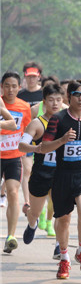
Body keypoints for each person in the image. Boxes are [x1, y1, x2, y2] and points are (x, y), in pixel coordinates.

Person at [39, 80, 81, 279]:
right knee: (63, 220)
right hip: (62, 175)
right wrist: (62, 140)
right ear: (69, 97)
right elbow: (43, 148)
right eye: (77, 94)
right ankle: (64, 258)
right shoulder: (58, 119)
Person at [19, 83, 63, 246]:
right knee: (35, 212)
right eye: (51, 100)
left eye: (58, 100)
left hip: (61, 172)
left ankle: (60, 246)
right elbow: (21, 146)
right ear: (44, 101)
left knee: (61, 212)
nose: (55, 104)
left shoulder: (66, 121)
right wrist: (37, 148)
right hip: (41, 173)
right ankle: (32, 224)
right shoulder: (37, 123)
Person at [1, 71, 32, 253]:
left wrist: (27, 153)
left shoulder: (24, 106)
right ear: (1, 87)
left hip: (13, 156)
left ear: (20, 87)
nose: (10, 89)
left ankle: (10, 236)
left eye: (14, 86)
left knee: (13, 192)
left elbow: (26, 130)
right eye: (7, 85)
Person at [17, 62, 44, 218]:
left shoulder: (44, 95)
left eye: (34, 76)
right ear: (25, 77)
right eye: (29, 77)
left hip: (44, 138)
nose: (32, 79)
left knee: (39, 171)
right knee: (27, 170)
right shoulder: (20, 95)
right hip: (26, 138)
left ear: (39, 76)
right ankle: (27, 202)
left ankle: (39, 202)